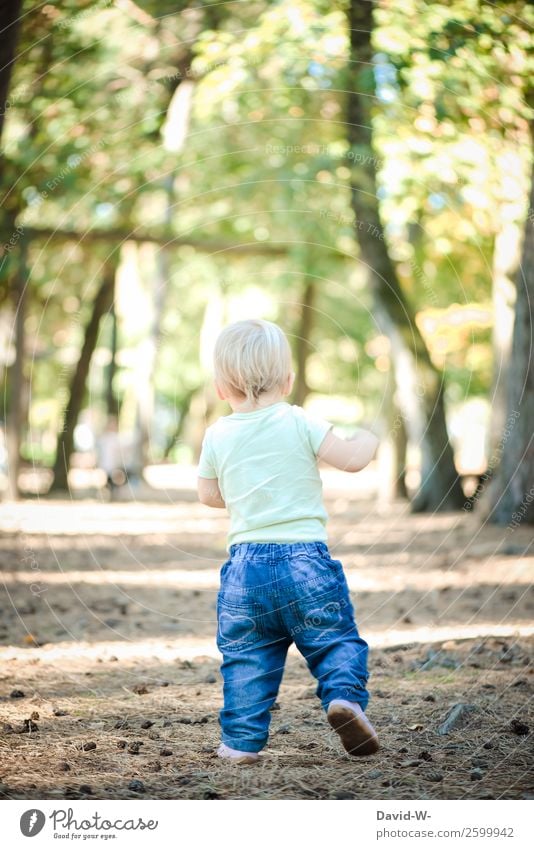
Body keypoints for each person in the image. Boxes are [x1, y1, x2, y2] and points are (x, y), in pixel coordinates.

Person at [198, 319, 379, 764]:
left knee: (246, 657)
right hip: (306, 562)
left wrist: (246, 495)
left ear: (222, 388)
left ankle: (239, 743)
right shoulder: (299, 421)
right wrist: (370, 435)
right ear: (287, 380)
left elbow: (208, 495)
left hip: (244, 570)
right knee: (334, 640)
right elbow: (352, 460)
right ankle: (344, 700)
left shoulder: (218, 434)